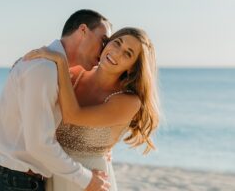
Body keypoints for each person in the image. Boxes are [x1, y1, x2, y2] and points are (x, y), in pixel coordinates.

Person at [0, 9, 112, 191]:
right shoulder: (43, 67)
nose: (104, 52)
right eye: (103, 41)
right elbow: (39, 144)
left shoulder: (54, 69)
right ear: (83, 30)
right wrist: (86, 179)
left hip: (14, 179)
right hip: (9, 180)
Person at [23, 27, 160, 191]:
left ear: (132, 68)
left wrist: (61, 61)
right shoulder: (75, 73)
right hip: (54, 170)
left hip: (91, 180)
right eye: (117, 43)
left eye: (127, 54)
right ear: (108, 42)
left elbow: (72, 116)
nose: (116, 53)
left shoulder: (129, 101)